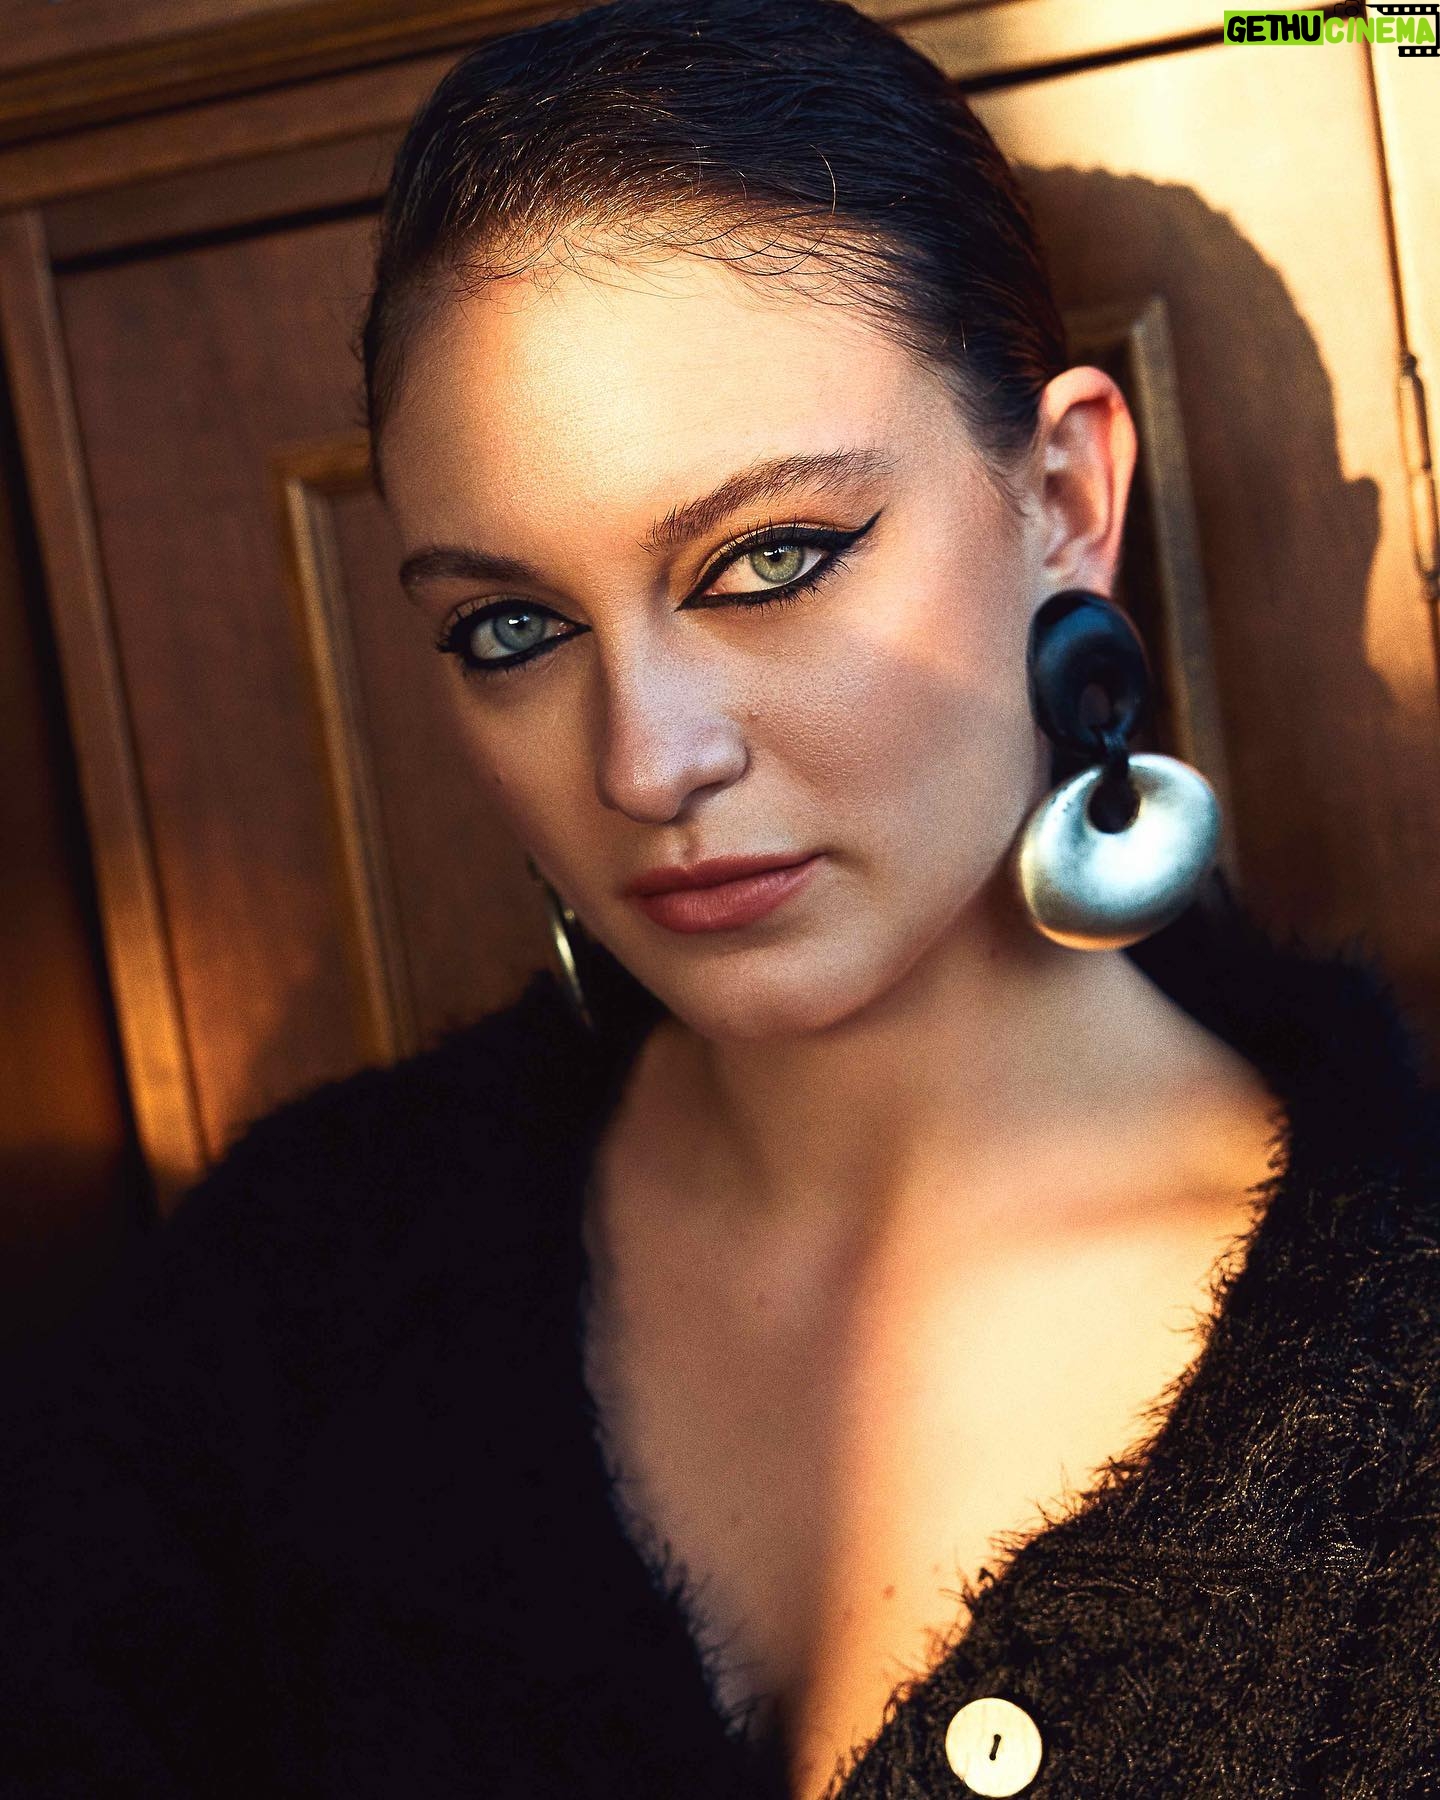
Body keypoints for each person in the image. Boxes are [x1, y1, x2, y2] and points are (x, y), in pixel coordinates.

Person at [3, 2, 1438, 1796]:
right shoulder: (278, 1304)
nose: (644, 763)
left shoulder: (1399, 1335)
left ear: (1065, 500)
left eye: (769, 559)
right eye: (509, 627)